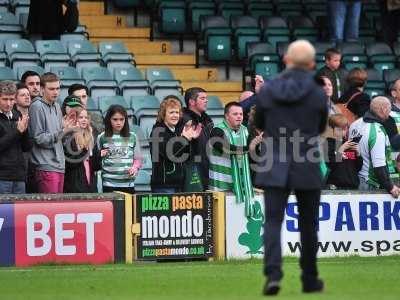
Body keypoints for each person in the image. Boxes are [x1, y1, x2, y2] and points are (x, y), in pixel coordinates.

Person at [254, 40, 327, 295]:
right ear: (310, 64)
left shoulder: (269, 88)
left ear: (286, 60)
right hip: (305, 158)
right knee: (308, 224)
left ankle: (273, 276)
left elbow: (259, 121)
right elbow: (320, 126)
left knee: (273, 221)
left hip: (275, 159)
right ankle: (309, 278)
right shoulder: (318, 91)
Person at [209, 102, 263, 216]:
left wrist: (257, 146)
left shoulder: (246, 131)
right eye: (235, 114)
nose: (239, 117)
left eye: (241, 114)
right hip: (221, 187)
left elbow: (253, 158)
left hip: (242, 187)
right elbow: (225, 149)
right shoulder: (217, 130)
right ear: (226, 116)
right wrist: (248, 148)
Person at [29, 72, 71, 193]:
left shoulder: (57, 106)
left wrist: (67, 131)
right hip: (45, 166)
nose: (55, 92)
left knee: (57, 208)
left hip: (59, 166)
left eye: (58, 88)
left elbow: (59, 136)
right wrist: (62, 132)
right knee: (50, 207)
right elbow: (38, 138)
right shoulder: (36, 106)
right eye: (51, 89)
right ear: (42, 89)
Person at [351, 96, 400, 195]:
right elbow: (379, 164)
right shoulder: (377, 132)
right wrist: (390, 186)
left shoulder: (355, 124)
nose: (390, 113)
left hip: (357, 178)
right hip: (371, 183)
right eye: (389, 109)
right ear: (383, 109)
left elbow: (350, 153)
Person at [150, 97, 200, 193]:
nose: (175, 115)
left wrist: (193, 140)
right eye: (171, 112)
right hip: (164, 186)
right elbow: (169, 153)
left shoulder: (176, 131)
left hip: (179, 184)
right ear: (163, 114)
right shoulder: (157, 132)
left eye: (177, 112)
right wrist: (185, 139)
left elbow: (187, 156)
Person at [96, 105, 142, 194]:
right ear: (109, 119)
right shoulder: (101, 137)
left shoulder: (133, 137)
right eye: (115, 119)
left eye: (122, 119)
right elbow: (97, 160)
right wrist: (99, 155)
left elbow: (138, 159)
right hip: (108, 185)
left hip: (128, 184)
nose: (119, 122)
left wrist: (135, 168)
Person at [0, 81, 31, 194]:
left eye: (11, 99)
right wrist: (17, 131)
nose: (8, 103)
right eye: (5, 99)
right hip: (2, 177)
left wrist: (25, 130)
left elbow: (27, 147)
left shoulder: (18, 116)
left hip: (19, 176)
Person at [182, 87, 214, 189]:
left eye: (206, 98)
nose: (206, 101)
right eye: (203, 98)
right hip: (192, 171)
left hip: (206, 168)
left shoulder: (208, 120)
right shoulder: (185, 120)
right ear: (192, 102)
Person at [63, 108, 97, 193]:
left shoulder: (92, 136)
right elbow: (69, 162)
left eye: (86, 117)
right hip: (74, 182)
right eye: (81, 117)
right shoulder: (69, 137)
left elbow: (95, 165)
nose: (84, 120)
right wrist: (84, 151)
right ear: (75, 119)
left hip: (90, 181)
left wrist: (100, 156)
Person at [325, 114, 362, 189]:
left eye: (345, 129)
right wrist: (341, 150)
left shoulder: (349, 144)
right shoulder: (327, 144)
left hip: (352, 185)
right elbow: (330, 165)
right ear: (332, 129)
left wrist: (358, 154)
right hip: (335, 186)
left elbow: (358, 168)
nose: (342, 132)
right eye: (339, 129)